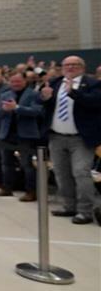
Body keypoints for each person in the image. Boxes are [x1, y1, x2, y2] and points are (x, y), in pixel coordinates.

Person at [39, 56, 101, 225]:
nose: (70, 67)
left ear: (83, 67)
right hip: (56, 136)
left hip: (80, 138)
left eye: (75, 64)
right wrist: (44, 97)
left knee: (81, 173)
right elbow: (43, 103)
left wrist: (73, 93)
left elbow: (95, 102)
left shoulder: (93, 84)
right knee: (61, 173)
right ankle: (69, 206)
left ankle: (85, 211)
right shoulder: (55, 82)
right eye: (67, 65)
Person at [0, 72, 43, 202]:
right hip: (6, 133)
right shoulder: (5, 95)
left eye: (18, 81)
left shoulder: (34, 94)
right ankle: (7, 187)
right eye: (13, 81)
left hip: (25, 134)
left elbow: (37, 111)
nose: (15, 84)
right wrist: (4, 109)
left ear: (25, 81)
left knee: (27, 164)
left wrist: (17, 108)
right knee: (6, 162)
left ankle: (31, 191)